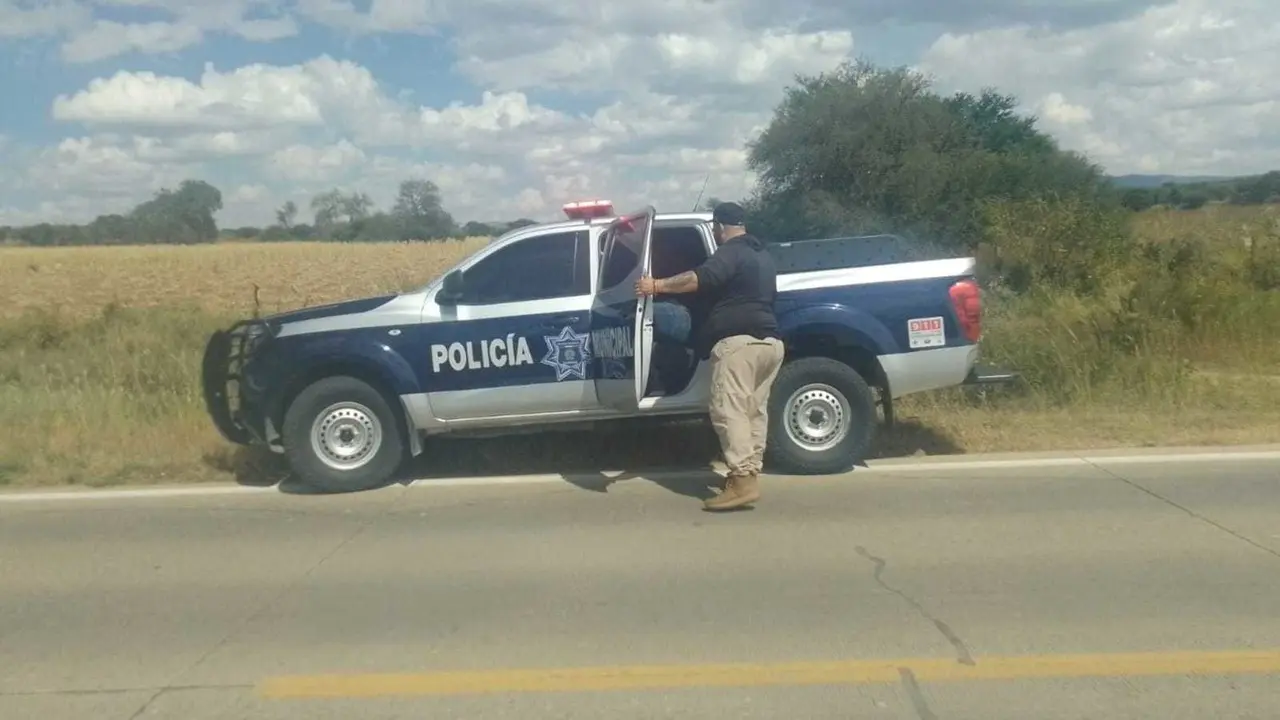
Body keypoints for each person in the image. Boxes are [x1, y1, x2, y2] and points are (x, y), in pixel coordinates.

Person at [635, 202, 784, 511]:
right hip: (770, 343)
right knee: (753, 411)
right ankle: (748, 473)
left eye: (716, 229)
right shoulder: (762, 255)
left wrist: (656, 285)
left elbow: (700, 278)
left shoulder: (730, 252)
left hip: (739, 345)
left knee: (727, 409)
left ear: (718, 227)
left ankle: (742, 480)